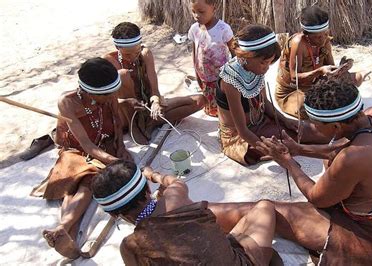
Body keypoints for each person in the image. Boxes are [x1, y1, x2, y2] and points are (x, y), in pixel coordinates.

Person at [210, 80, 372, 264]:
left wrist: (288, 163)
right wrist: (300, 149)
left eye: (316, 125)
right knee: (329, 166)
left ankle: (197, 213)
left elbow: (317, 198)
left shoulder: (352, 159)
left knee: (266, 210)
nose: (312, 129)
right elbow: (342, 145)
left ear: (336, 127)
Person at [91, 160, 282, 265]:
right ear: (147, 189)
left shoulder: (129, 246)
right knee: (264, 207)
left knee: (232, 237)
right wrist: (154, 174)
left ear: (114, 215)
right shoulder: (175, 196)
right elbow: (175, 182)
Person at [34, 58, 133, 259]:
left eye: (113, 91)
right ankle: (64, 229)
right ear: (89, 92)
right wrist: (115, 161)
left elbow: (115, 121)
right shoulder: (68, 102)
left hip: (104, 144)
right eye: (107, 94)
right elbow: (86, 146)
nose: (113, 96)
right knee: (79, 178)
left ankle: (64, 229)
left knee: (89, 180)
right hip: (76, 150)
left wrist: (120, 147)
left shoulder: (109, 93)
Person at [217, 24, 328, 166]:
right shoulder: (230, 81)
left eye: (269, 63)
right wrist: (272, 151)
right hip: (239, 136)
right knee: (286, 144)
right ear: (246, 57)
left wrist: (284, 120)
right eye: (264, 63)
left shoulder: (255, 69)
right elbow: (243, 131)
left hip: (261, 121)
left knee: (310, 131)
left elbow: (266, 103)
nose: (266, 68)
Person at [104, 22, 205, 144]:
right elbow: (106, 101)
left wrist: (156, 102)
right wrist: (127, 102)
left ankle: (150, 123)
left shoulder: (145, 54)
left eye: (136, 53)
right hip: (125, 113)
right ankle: (134, 126)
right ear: (117, 47)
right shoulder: (109, 61)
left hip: (147, 106)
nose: (132, 58)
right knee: (123, 75)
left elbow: (154, 90)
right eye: (127, 55)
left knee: (200, 100)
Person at [275, 5, 369, 119]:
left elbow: (331, 68)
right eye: (318, 37)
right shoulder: (298, 43)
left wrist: (341, 69)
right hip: (293, 90)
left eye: (325, 34)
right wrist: (319, 71)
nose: (323, 39)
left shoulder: (325, 40)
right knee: (310, 109)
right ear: (306, 35)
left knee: (356, 79)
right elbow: (294, 78)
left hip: (317, 84)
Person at [189, 0, 234, 117]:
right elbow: (195, 52)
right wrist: (196, 73)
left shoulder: (223, 29)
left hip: (222, 77)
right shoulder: (194, 29)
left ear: (213, 8)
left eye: (201, 11)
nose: (196, 15)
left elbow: (234, 51)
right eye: (193, 11)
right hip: (204, 76)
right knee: (210, 106)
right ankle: (212, 110)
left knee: (224, 105)